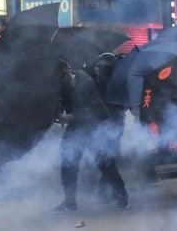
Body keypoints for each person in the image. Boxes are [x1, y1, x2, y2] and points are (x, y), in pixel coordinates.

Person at [50, 59, 130, 213]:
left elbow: (90, 110)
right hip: (76, 128)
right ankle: (69, 202)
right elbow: (59, 103)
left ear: (67, 68)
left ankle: (123, 196)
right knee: (68, 163)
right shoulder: (61, 84)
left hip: (95, 126)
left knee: (105, 164)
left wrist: (70, 117)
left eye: (61, 74)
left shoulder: (85, 81)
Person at [84, 53, 128, 204]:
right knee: (104, 161)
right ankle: (105, 190)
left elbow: (121, 106)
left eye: (104, 68)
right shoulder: (95, 82)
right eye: (100, 67)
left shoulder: (117, 82)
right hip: (99, 126)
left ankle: (121, 193)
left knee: (107, 161)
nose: (101, 70)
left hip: (113, 126)